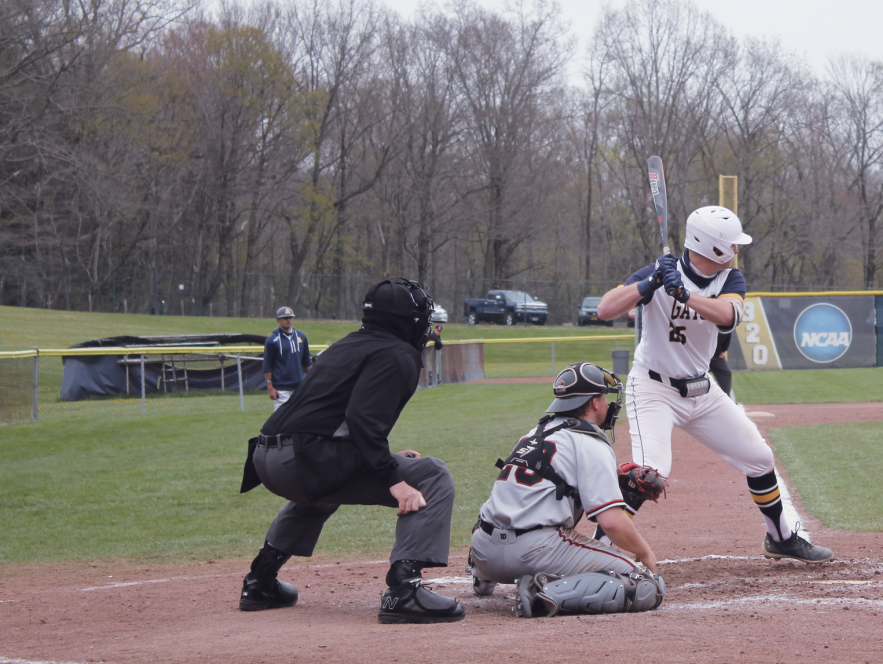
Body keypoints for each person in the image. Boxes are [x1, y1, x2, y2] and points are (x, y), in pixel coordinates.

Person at [596, 205, 833, 562]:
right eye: (731, 245)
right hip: (653, 389)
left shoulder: (730, 280)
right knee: (649, 474)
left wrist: (686, 295)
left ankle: (780, 537)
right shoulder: (659, 273)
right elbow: (605, 310)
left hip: (702, 390)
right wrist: (650, 284)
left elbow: (728, 315)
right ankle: (594, 548)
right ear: (713, 246)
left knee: (759, 457)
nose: (736, 251)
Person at [236, 278, 465, 624]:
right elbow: (362, 421)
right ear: (405, 320)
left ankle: (260, 580)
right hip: (302, 457)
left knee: (329, 484)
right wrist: (394, 478)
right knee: (432, 475)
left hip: (267, 458)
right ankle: (405, 590)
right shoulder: (399, 352)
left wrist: (387, 459)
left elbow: (336, 420)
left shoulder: (349, 344)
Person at [467, 362, 666, 617]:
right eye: (604, 396)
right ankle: (542, 590)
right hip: (534, 552)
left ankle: (481, 578)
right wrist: (644, 552)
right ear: (594, 402)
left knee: (505, 503)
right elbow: (612, 522)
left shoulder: (532, 435)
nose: (608, 404)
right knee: (646, 584)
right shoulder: (590, 443)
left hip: (484, 549)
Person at [263, 307, 312, 411]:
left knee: (299, 418)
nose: (288, 320)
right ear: (278, 320)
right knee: (280, 419)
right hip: (281, 388)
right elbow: (267, 366)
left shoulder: (301, 337)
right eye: (285, 318)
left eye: (290, 317)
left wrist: (314, 380)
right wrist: (270, 387)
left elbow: (307, 362)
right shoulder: (272, 340)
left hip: (299, 387)